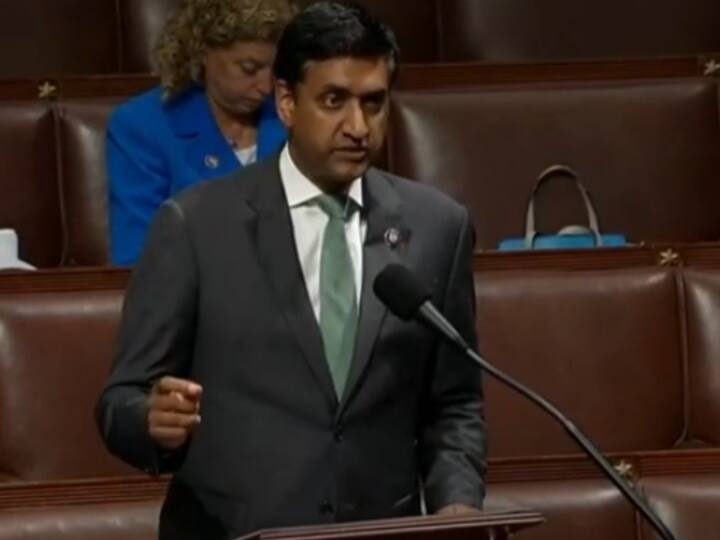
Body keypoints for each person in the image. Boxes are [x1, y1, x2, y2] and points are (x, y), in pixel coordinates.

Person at [96, 2, 487, 539]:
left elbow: (455, 403)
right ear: (286, 102)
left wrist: (457, 504)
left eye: (373, 103)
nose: (358, 127)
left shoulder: (437, 227)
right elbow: (120, 400)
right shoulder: (196, 226)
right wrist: (150, 422)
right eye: (333, 101)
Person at [107, 0, 296, 266]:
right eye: (249, 69)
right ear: (202, 53)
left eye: (274, 70)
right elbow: (139, 257)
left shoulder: (293, 115)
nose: (266, 87)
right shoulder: (142, 126)